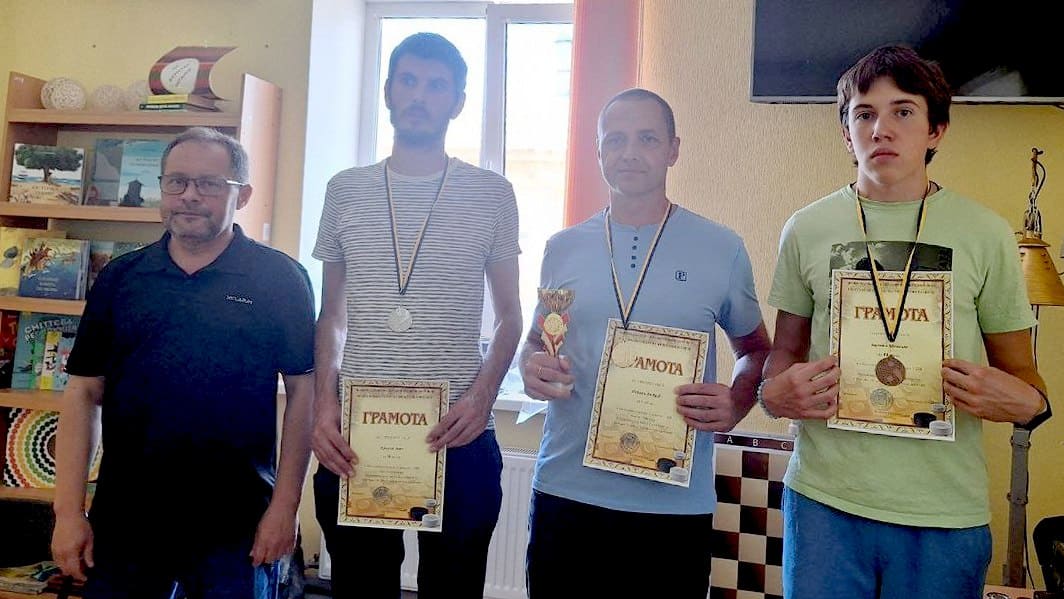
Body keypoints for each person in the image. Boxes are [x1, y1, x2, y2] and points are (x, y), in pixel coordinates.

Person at [762, 45, 1053, 598]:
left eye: (903, 111)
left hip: (942, 515)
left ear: (936, 129)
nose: (881, 129)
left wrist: (1024, 404)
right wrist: (773, 394)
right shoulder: (806, 229)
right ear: (847, 134)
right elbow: (784, 353)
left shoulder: (985, 234)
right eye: (864, 114)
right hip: (825, 505)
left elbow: (1026, 380)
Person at [520, 88, 772, 598]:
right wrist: (532, 369)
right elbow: (538, 344)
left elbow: (755, 350)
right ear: (598, 151)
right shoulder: (562, 249)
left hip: (672, 505)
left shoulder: (721, 248)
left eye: (647, 138)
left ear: (673, 150)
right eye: (615, 139)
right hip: (566, 493)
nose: (629, 152)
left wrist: (736, 401)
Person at [50, 126, 317, 598]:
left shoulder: (280, 279)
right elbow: (83, 391)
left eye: (209, 184)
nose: (189, 195)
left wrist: (285, 506)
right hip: (127, 517)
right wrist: (68, 512)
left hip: (237, 522)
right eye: (176, 182)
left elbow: (303, 393)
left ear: (242, 195)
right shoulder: (122, 278)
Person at [310, 32, 522, 599]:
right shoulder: (345, 191)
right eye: (407, 81)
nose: (419, 96)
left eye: (436, 86)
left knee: (454, 589)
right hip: (357, 433)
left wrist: (482, 398)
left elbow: (511, 317)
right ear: (388, 92)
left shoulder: (492, 194)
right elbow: (332, 316)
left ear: (457, 101)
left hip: (458, 431)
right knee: (361, 589)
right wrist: (324, 406)